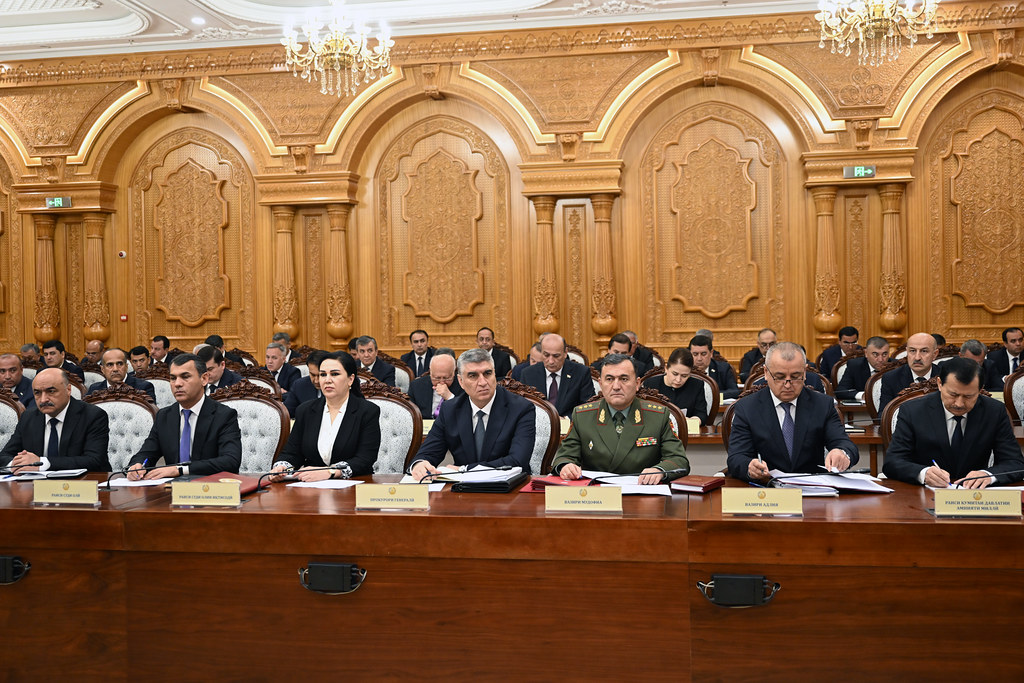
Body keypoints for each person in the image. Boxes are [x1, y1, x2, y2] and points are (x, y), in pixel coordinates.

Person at [883, 357, 1024, 488]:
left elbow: (1015, 463)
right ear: (939, 384)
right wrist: (923, 473)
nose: (959, 404)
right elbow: (893, 462)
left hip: (974, 496)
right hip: (924, 494)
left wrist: (988, 475)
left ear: (980, 389)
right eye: (953, 394)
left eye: (968, 396)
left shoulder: (994, 411)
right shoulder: (913, 411)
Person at [726, 342, 857, 481]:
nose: (788, 385)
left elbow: (845, 444)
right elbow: (736, 457)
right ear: (766, 373)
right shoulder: (747, 407)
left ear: (804, 373)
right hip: (767, 487)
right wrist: (749, 466)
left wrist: (842, 453)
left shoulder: (822, 405)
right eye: (780, 377)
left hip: (813, 486)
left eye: (795, 377)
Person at [551, 353, 689, 484]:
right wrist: (567, 466)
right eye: (609, 379)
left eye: (624, 379)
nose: (616, 386)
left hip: (643, 492)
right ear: (600, 384)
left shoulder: (658, 416)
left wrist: (659, 470)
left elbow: (678, 459)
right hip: (597, 494)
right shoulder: (583, 416)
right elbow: (564, 457)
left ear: (637, 383)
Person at [409, 348, 535, 481]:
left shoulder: (521, 408)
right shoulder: (450, 409)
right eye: (473, 376)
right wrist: (419, 464)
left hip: (509, 486)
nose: (483, 382)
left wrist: (465, 469)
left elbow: (517, 461)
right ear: (461, 381)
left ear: (494, 374)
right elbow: (429, 452)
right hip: (462, 488)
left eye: (487, 373)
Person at [268, 352, 381, 481]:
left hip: (354, 484)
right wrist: (282, 467)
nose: (327, 380)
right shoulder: (305, 410)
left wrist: (330, 472)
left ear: (350, 379)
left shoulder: (367, 411)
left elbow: (365, 458)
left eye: (335, 374)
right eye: (323, 374)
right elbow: (292, 453)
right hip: (312, 485)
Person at [127, 354, 241, 479]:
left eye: (185, 377)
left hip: (209, 486)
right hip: (170, 488)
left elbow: (230, 461)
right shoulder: (164, 416)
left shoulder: (224, 415)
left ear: (204, 379)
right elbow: (147, 453)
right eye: (173, 378)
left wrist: (181, 470)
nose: (177, 384)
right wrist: (137, 465)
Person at [0, 368, 110, 471]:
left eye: (51, 391)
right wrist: (16, 464)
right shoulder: (29, 417)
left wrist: (41, 463)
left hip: (84, 482)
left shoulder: (92, 415)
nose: (43, 400)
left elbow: (94, 460)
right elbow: (4, 456)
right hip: (34, 483)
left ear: (68, 390)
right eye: (37, 393)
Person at [520, 333, 595, 417]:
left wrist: (566, 420)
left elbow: (588, 408)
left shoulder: (581, 373)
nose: (551, 361)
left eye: (556, 356)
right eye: (546, 355)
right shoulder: (528, 374)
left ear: (565, 353)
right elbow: (523, 408)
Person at [642, 347, 709, 425]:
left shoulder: (696, 385)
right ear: (666, 368)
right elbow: (644, 414)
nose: (678, 380)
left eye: (684, 376)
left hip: (686, 429)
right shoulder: (651, 383)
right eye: (675, 374)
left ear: (690, 373)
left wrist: (693, 421)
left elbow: (702, 414)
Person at [878, 332, 939, 413]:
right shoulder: (891, 378)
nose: (917, 357)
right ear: (907, 352)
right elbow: (884, 414)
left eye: (924, 351)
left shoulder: (944, 376)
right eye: (912, 351)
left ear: (935, 354)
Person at [87, 348, 157, 402]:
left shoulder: (144, 387)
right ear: (102, 369)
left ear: (126, 367)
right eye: (110, 365)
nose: (115, 369)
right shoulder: (94, 389)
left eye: (120, 364)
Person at [407, 353, 464, 419]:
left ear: (453, 373)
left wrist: (450, 397)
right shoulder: (416, 386)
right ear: (430, 373)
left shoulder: (463, 385)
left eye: (446, 378)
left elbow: (465, 414)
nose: (442, 382)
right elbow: (410, 414)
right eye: (437, 378)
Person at [835, 336, 891, 401]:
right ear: (866, 353)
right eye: (875, 354)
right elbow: (841, 391)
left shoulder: (895, 366)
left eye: (884, 354)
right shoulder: (855, 366)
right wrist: (862, 395)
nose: (880, 359)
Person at [688, 334, 740, 400]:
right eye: (695, 354)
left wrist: (712, 396)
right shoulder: (684, 369)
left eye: (703, 354)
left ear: (711, 353)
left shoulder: (723, 368)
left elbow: (734, 391)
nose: (699, 359)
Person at [284, 350, 328, 417]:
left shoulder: (338, 386)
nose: (316, 381)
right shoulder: (299, 385)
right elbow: (286, 413)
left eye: (321, 375)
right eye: (313, 375)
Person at [984, 327, 1024, 391]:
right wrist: (1005, 378)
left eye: (1020, 340)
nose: (1018, 344)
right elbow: (992, 379)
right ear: (1005, 344)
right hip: (1003, 391)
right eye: (1013, 341)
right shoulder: (993, 358)